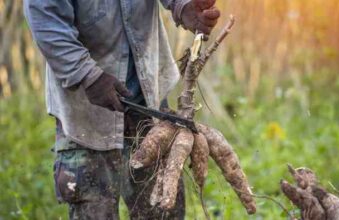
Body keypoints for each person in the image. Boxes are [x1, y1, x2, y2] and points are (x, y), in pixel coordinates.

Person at [24, 0, 220, 219]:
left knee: (164, 211)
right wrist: (87, 75)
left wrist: (182, 5)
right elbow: (46, 21)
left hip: (149, 104)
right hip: (86, 114)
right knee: (94, 209)